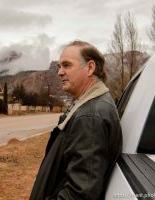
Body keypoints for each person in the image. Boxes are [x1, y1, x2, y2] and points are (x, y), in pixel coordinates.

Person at [29, 40, 122, 200]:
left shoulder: (90, 117)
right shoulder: (91, 106)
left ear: (90, 68)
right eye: (59, 66)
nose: (59, 72)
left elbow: (81, 193)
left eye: (66, 65)